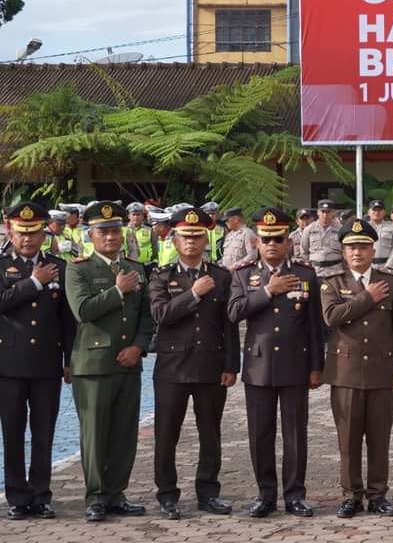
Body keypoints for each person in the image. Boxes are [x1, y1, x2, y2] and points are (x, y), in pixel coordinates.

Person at [227, 208, 324, 518]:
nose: (272, 244)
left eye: (278, 239)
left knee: (295, 434)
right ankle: (265, 495)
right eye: (266, 239)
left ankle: (295, 495)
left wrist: (316, 367)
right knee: (260, 434)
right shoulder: (243, 274)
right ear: (256, 242)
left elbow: (315, 326)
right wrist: (268, 291)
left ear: (288, 242)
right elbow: (234, 312)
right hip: (259, 366)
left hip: (296, 365)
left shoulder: (306, 274)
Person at [65, 201, 154, 522]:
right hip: (94, 365)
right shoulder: (78, 268)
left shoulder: (135, 267)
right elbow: (83, 310)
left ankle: (117, 494)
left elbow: (146, 316)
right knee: (95, 434)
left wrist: (139, 347)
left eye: (115, 230)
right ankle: (96, 497)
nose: (110, 237)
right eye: (103, 232)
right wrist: (117, 291)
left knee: (124, 434)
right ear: (90, 235)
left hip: (128, 363)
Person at [148, 207, 239, 520]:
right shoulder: (161, 276)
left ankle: (208, 492)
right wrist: (194, 294)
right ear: (174, 240)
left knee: (210, 434)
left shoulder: (221, 276)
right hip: (172, 367)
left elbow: (229, 326)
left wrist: (231, 365)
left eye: (197, 236)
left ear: (205, 239)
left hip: (210, 365)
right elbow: (160, 314)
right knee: (166, 435)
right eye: (185, 236)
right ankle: (167, 495)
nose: (191, 242)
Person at [321, 219, 393, 518]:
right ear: (343, 252)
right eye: (351, 248)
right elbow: (332, 316)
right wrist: (368, 297)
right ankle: (351, 495)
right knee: (348, 439)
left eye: (362, 247)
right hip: (345, 373)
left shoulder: (391, 282)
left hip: (381, 371)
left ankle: (378, 494)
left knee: (379, 438)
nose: (357, 253)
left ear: (373, 250)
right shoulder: (332, 282)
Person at [0, 203, 74, 520]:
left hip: (46, 363)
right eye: (21, 233)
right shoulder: (2, 266)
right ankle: (18, 496)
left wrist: (69, 358)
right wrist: (33, 283)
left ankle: (41, 495)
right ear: (10, 232)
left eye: (33, 233)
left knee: (44, 433)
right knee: (13, 433)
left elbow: (67, 320)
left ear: (44, 233)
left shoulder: (59, 266)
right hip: (9, 364)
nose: (27, 239)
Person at [301, 200, 344, 278]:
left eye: (328, 212)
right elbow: (304, 251)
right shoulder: (309, 229)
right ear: (318, 212)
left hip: (335, 271)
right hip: (315, 271)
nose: (325, 215)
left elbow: (345, 251)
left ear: (333, 213)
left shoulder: (341, 229)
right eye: (323, 212)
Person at [122, 202, 156, 270]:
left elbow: (155, 247)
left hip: (146, 266)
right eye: (133, 214)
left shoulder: (149, 229)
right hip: (127, 265)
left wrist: (154, 263)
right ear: (129, 216)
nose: (136, 217)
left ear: (143, 216)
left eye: (138, 214)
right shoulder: (122, 229)